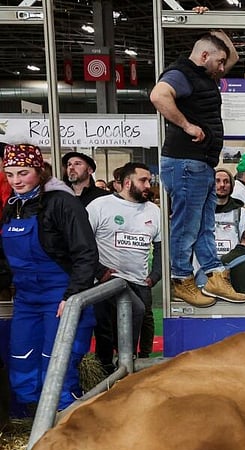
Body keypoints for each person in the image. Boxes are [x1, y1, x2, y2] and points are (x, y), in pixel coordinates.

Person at [150, 29, 245, 306]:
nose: (222, 68)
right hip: (186, 162)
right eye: (218, 62)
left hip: (200, 163)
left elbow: (233, 56)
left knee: (204, 226)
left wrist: (215, 28)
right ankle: (181, 279)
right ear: (204, 56)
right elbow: (158, 96)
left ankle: (214, 274)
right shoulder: (180, 73)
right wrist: (186, 125)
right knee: (186, 226)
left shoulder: (203, 74)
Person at [0, 143, 98, 411]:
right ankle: (32, 424)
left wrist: (73, 295)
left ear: (39, 170)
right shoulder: (13, 205)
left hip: (59, 296)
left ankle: (64, 423)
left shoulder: (61, 202)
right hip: (26, 298)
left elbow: (86, 252)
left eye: (23, 173)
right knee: (21, 359)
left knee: (57, 364)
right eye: (10, 174)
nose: (16, 180)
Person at [87, 162, 161, 370]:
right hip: (107, 282)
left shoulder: (154, 211)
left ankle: (128, 367)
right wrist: (98, 271)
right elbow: (82, 243)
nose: (148, 185)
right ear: (128, 183)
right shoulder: (99, 206)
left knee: (138, 327)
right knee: (106, 331)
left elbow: (162, 246)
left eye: (149, 180)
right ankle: (105, 372)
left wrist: (156, 274)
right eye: (143, 180)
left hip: (140, 281)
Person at [212, 169, 245, 259]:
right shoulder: (200, 212)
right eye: (217, 181)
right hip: (204, 268)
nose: (222, 185)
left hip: (233, 265)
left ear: (231, 186)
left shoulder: (241, 213)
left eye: (226, 182)